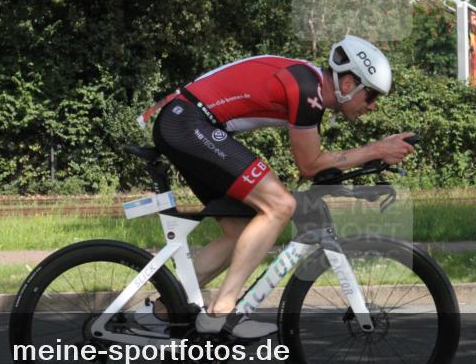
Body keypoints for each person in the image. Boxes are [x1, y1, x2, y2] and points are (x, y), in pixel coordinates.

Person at [134, 36, 415, 339]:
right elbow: (310, 165)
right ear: (349, 84)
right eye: (371, 97)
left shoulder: (310, 88)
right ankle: (224, 312)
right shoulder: (308, 90)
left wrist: (368, 163)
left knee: (243, 230)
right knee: (280, 205)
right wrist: (376, 150)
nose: (372, 107)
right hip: (188, 123)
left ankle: (162, 310)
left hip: (187, 124)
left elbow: (314, 167)